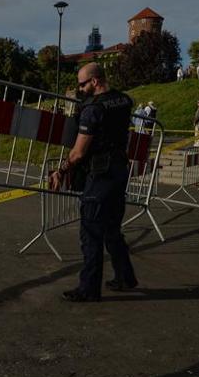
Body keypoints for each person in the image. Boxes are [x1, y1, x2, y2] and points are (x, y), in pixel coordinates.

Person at [50, 63, 137, 302]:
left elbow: (78, 153)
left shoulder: (92, 110)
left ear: (95, 81)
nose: (80, 89)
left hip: (100, 175)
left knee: (91, 233)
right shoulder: (124, 100)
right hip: (119, 171)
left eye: (82, 84)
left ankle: (88, 289)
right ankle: (125, 277)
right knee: (112, 230)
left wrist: (61, 170)